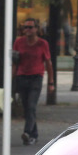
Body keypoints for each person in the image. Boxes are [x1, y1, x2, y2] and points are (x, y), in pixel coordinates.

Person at [12, 17, 54, 145]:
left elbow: (48, 63)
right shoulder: (18, 42)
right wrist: (11, 78)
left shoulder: (43, 44)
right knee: (27, 107)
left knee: (31, 105)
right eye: (25, 27)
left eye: (30, 27)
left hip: (36, 77)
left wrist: (51, 82)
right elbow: (15, 61)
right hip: (22, 77)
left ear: (37, 29)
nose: (27, 30)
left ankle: (27, 132)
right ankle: (34, 135)